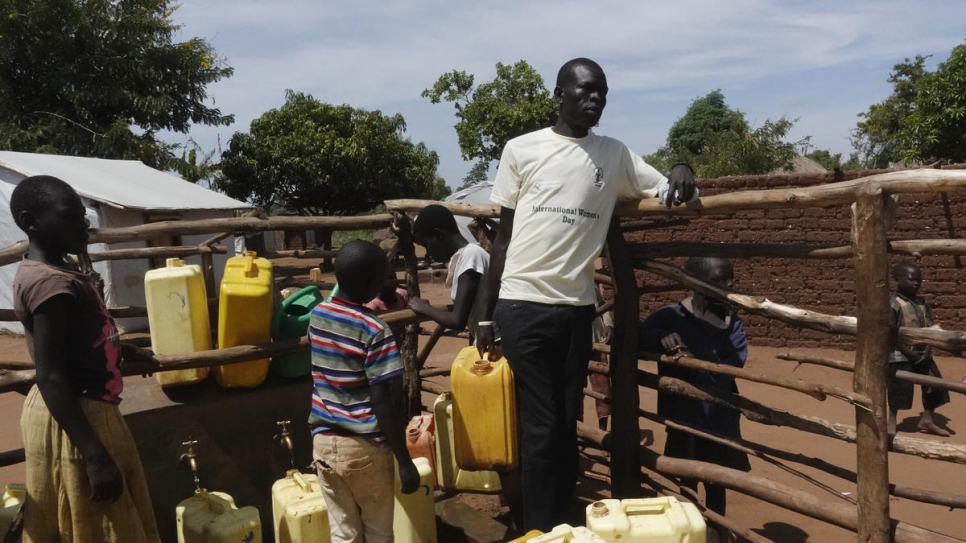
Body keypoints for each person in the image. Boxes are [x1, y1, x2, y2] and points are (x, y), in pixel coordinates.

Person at [478, 57, 698, 531]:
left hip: (576, 311)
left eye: (602, 93)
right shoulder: (522, 149)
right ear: (560, 94)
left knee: (562, 421)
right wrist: (484, 313)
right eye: (585, 91)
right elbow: (502, 238)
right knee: (540, 426)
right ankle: (538, 528)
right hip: (522, 306)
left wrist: (681, 166)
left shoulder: (613, 154)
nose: (595, 99)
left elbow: (665, 187)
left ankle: (563, 523)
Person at [10, 175, 161, 542]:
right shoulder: (51, 285)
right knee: (103, 527)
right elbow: (50, 375)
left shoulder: (61, 271)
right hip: (77, 416)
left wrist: (119, 350)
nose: (84, 224)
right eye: (70, 216)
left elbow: (75, 341)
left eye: (83, 215)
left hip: (80, 409)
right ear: (31, 222)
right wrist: (95, 455)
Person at [308, 239, 419, 543]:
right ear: (371, 283)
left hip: (323, 443)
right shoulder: (374, 331)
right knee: (379, 533)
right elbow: (383, 402)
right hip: (363, 447)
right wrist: (405, 461)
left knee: (344, 533)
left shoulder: (318, 316)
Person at [638, 257, 750, 536]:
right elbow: (636, 337)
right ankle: (691, 531)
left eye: (729, 278)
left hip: (719, 418)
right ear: (695, 285)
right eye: (720, 280)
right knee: (686, 476)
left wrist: (694, 361)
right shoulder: (668, 317)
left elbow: (733, 364)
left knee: (717, 479)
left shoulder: (729, 323)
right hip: (683, 416)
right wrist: (660, 337)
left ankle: (716, 531)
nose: (730, 285)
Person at [408, 204, 489, 341]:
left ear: (439, 235)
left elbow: (457, 320)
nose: (427, 253)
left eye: (426, 245)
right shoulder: (467, 255)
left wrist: (424, 308)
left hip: (497, 342)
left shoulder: (471, 256)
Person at [888, 261, 951, 436]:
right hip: (900, 354)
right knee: (899, 389)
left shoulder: (922, 302)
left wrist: (928, 349)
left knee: (934, 385)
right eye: (911, 279)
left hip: (923, 354)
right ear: (897, 279)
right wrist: (908, 352)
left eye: (919, 280)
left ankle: (927, 420)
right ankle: (891, 421)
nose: (916, 283)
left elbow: (929, 327)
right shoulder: (894, 304)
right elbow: (890, 333)